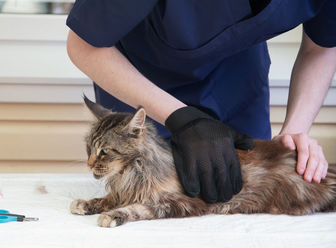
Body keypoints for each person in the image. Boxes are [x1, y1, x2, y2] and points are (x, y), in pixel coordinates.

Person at [65, 0, 336, 203]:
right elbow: (84, 45)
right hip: (142, 83)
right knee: (147, 203)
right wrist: (181, 117)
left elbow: (322, 46)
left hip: (237, 82)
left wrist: (294, 133)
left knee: (243, 202)